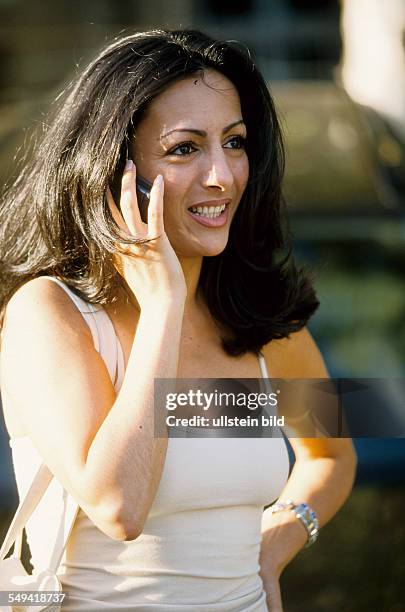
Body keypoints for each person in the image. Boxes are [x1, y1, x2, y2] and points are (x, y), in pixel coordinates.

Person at [0, 29, 357, 611]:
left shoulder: (262, 319)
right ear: (112, 169)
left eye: (235, 142)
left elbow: (334, 456)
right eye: (185, 148)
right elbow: (119, 505)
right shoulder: (50, 312)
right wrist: (164, 305)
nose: (222, 176)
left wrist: (281, 539)